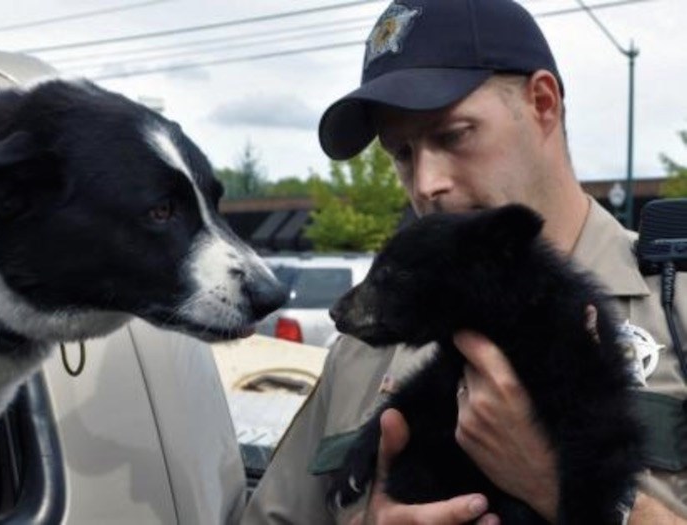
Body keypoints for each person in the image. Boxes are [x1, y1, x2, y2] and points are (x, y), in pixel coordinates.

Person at [242, 0, 687, 523]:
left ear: (543, 103)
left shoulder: (673, 306)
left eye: (453, 135)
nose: (426, 184)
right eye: (402, 154)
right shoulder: (362, 354)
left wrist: (571, 490)